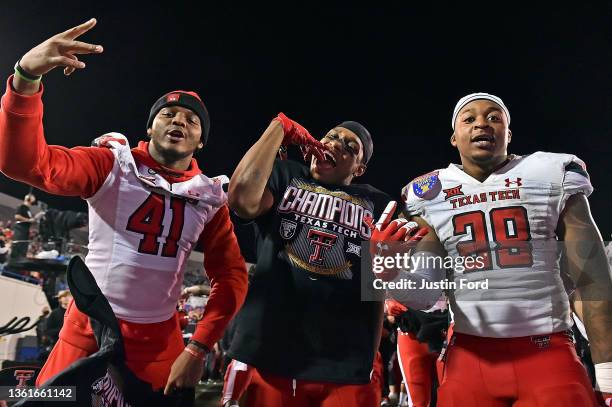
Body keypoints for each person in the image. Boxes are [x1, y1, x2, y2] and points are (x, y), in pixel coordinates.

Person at [0, 18, 248, 398]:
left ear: (200, 142)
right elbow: (26, 164)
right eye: (168, 114)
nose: (179, 119)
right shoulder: (112, 164)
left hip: (158, 343)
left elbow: (231, 277)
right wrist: (26, 79)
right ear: (150, 128)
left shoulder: (209, 197)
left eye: (192, 120)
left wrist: (199, 345)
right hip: (89, 328)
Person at [397, 93, 612, 406]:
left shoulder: (549, 172)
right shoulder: (429, 193)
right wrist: (387, 273)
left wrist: (607, 373)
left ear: (508, 134)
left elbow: (592, 276)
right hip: (470, 358)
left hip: (547, 353)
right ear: (454, 137)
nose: (481, 123)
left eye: (494, 117)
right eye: (468, 118)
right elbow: (425, 296)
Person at [227, 112, 422, 406]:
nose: (336, 144)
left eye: (350, 146)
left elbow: (412, 287)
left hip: (346, 358)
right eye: (331, 136)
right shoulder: (286, 174)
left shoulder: (380, 204)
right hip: (271, 351)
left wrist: (388, 267)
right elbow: (241, 199)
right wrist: (278, 128)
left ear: (359, 169)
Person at [11, 193, 40, 259]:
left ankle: (20, 261)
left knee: (24, 246)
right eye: (33, 199)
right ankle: (14, 262)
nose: (33, 201)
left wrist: (33, 219)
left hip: (25, 230)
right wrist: (29, 220)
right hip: (20, 229)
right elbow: (17, 216)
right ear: (28, 199)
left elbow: (29, 220)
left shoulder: (28, 209)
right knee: (18, 245)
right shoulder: (22, 206)